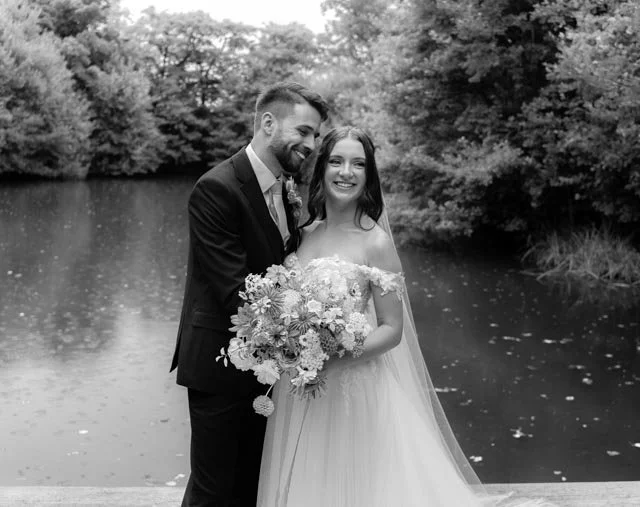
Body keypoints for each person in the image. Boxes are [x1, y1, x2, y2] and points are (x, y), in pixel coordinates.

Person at [256, 126, 554, 506]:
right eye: (336, 161)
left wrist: (332, 355)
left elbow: (392, 330)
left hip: (352, 387)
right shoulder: (303, 233)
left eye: (358, 164)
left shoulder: (375, 242)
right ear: (322, 169)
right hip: (302, 387)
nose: (346, 171)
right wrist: (284, 341)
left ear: (368, 176)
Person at [170, 82, 329, 507]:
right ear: (268, 122)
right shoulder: (216, 188)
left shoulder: (286, 188)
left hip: (268, 369)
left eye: (315, 135)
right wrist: (314, 334)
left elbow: (282, 262)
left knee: (250, 488)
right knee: (212, 492)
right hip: (220, 366)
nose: (311, 144)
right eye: (303, 131)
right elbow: (236, 292)